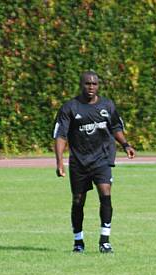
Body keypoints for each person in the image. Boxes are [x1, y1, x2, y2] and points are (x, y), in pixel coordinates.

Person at [53, 70, 136, 254]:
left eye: (94, 84)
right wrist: (59, 162)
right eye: (87, 84)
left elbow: (115, 127)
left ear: (98, 85)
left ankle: (105, 240)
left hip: (102, 159)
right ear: (81, 85)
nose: (91, 87)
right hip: (79, 161)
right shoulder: (70, 108)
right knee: (78, 200)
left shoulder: (107, 105)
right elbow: (61, 135)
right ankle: (78, 241)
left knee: (105, 194)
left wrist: (125, 144)